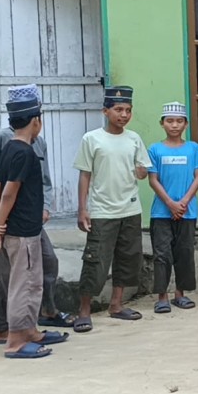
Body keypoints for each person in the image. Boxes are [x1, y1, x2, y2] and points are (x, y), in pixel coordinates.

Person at [0, 85, 73, 345]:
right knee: (5, 273)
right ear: (35, 118)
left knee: (44, 263)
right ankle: (4, 329)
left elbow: (41, 180)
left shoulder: (34, 142)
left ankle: (41, 316)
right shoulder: (4, 141)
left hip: (28, 218)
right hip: (6, 219)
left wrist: (46, 206)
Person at [73, 86, 152, 332]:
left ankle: (116, 305)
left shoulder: (134, 138)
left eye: (128, 110)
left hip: (129, 209)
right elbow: (85, 175)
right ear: (105, 111)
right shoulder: (92, 139)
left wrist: (141, 172)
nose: (124, 115)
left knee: (127, 259)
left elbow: (142, 170)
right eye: (118, 109)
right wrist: (82, 208)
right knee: (95, 260)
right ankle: (84, 311)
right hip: (101, 211)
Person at [147, 101, 198, 314]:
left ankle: (180, 294)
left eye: (179, 121)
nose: (174, 125)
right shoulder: (154, 149)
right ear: (162, 123)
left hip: (187, 211)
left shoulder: (193, 148)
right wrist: (170, 204)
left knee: (184, 252)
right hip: (161, 211)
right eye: (170, 121)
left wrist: (183, 203)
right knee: (162, 254)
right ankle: (161, 296)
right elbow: (153, 180)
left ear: (186, 124)